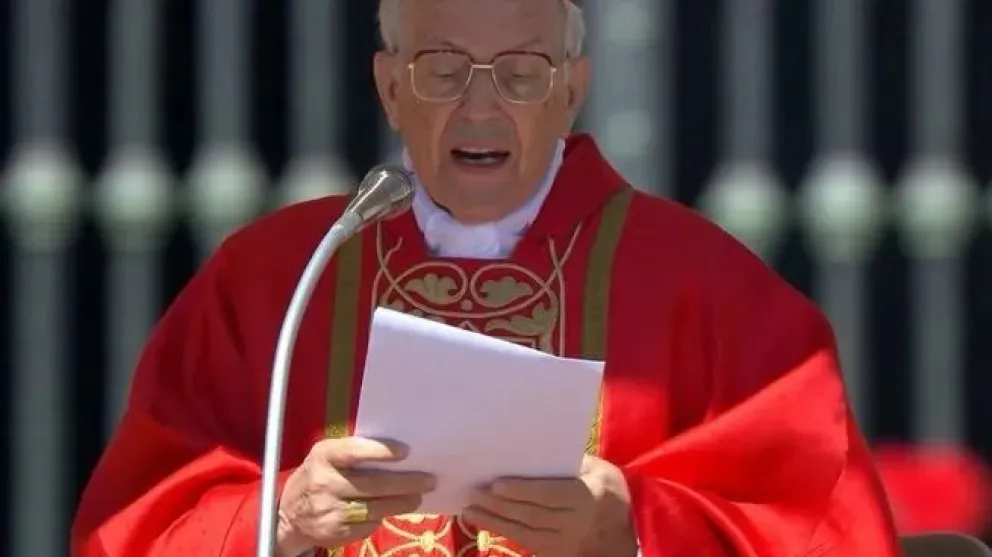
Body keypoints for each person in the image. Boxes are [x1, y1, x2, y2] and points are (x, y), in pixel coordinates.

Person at [71, 0, 902, 555]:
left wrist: (632, 526)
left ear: (572, 90)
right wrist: (282, 518)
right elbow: (130, 529)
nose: (478, 108)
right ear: (390, 88)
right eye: (441, 69)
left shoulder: (701, 282)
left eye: (519, 72)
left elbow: (828, 525)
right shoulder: (277, 276)